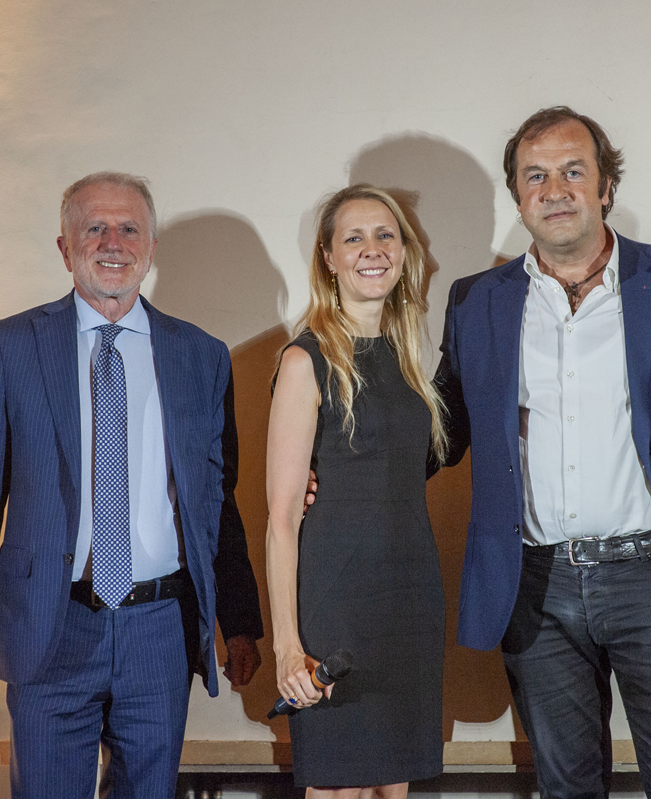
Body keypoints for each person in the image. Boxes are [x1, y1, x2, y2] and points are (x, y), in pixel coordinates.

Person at [433, 107, 651, 798]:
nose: (555, 189)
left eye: (573, 170)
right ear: (517, 196)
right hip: (535, 586)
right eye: (535, 176)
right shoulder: (477, 301)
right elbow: (444, 428)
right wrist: (337, 465)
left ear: (605, 186)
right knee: (566, 788)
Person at [0, 172, 264, 799]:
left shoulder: (202, 355)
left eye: (129, 229)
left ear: (151, 248)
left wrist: (238, 619)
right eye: (95, 228)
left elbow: (214, 500)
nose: (113, 243)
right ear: (66, 248)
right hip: (50, 623)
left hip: (161, 629)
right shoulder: (11, 346)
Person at [266, 185, 447, 797]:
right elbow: (281, 519)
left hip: (410, 598)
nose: (372, 249)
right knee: (340, 786)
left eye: (385, 235)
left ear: (403, 252)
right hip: (336, 601)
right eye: (354, 238)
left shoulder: (408, 358)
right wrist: (287, 647)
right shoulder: (305, 360)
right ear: (329, 258)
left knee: (392, 786)